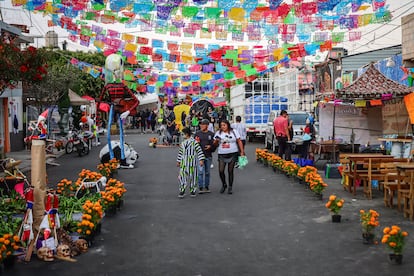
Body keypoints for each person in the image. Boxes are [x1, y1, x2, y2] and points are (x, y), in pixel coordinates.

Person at [213, 120, 245, 194]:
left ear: (227, 125)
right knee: (221, 171)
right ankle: (224, 184)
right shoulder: (218, 133)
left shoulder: (234, 131)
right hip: (222, 153)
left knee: (230, 171)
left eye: (224, 125)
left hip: (232, 153)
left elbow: (239, 141)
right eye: (221, 125)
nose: (223, 127)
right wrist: (216, 141)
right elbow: (214, 144)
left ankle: (230, 187)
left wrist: (242, 151)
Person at [176, 127, 205, 198]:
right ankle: (182, 190)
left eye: (183, 134)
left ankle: (193, 190)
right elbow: (180, 153)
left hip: (192, 163)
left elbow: (199, 151)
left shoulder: (194, 142)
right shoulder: (183, 143)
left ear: (187, 134)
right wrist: (178, 161)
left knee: (193, 177)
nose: (182, 135)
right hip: (184, 163)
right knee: (182, 177)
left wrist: (201, 160)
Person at [195, 119, 216, 194]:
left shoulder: (211, 134)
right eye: (201, 124)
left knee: (207, 172)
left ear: (207, 125)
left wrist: (210, 147)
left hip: (208, 155)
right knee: (200, 172)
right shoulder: (197, 134)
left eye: (203, 124)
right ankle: (200, 187)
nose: (201, 126)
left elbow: (214, 145)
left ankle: (206, 186)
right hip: (200, 156)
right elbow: (195, 144)